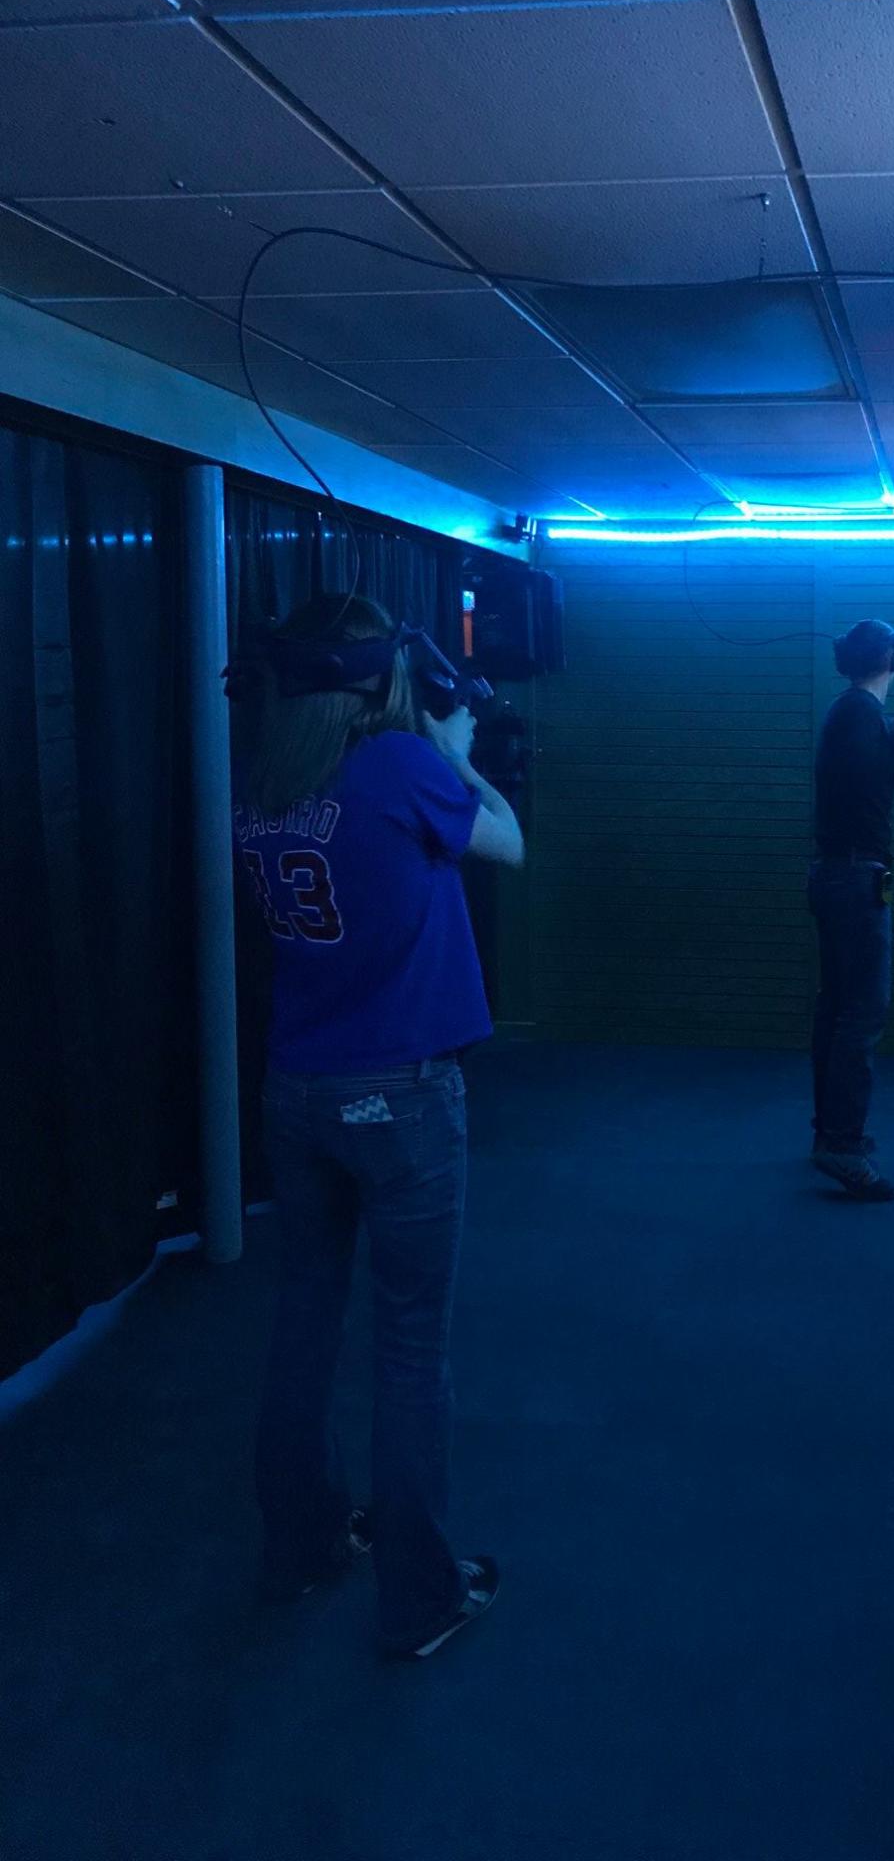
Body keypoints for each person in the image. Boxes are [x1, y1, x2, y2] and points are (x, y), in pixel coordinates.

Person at [233, 593, 523, 1659]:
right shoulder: (401, 764)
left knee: (304, 1322)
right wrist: (458, 750)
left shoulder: (268, 774)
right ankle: (420, 1597)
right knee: (409, 1349)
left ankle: (303, 1545)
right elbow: (510, 843)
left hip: (297, 1092)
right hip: (400, 1095)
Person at [809, 620, 894, 1202]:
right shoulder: (859, 711)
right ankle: (841, 1143)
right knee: (862, 1013)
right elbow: (882, 769)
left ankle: (831, 1133)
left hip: (840, 875)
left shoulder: (853, 712)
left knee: (839, 1009)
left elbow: (883, 759)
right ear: (892, 657)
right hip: (856, 877)